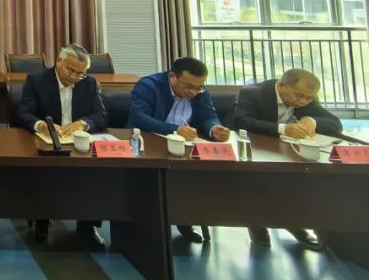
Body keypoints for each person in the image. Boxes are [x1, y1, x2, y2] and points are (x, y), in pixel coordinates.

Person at [231, 68, 342, 250]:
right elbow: (242, 121)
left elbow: (335, 123)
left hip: (288, 151)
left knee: (307, 180)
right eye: (299, 96)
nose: (303, 101)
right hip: (255, 149)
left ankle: (295, 222)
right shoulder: (253, 93)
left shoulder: (305, 98)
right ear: (281, 85)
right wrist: (283, 129)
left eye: (309, 98)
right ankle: (256, 222)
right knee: (261, 180)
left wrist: (312, 121)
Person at [127, 56, 230, 243]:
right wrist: (174, 129)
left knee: (193, 178)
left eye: (199, 88)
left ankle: (185, 218)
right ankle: (144, 223)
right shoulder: (148, 85)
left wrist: (214, 128)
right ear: (172, 77)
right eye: (188, 86)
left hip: (185, 147)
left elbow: (208, 115)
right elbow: (140, 117)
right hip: (149, 144)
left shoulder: (199, 91)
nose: (193, 92)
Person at [14, 44, 108, 247]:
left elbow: (101, 115)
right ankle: (42, 220)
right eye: (70, 70)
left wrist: (83, 123)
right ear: (58, 61)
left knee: (96, 170)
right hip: (47, 141)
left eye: (80, 73)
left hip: (78, 142)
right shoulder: (37, 80)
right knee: (45, 169)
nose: (74, 76)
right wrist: (42, 125)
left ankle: (88, 223)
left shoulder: (89, 83)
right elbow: (23, 113)